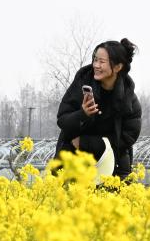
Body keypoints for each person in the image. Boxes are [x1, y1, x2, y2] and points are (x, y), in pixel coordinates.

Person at [54, 39, 142, 181]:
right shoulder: (81, 85)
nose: (96, 65)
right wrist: (82, 115)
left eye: (102, 62)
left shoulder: (129, 100)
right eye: (95, 60)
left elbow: (128, 137)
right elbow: (62, 120)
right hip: (73, 162)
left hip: (113, 167)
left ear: (118, 67)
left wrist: (87, 143)